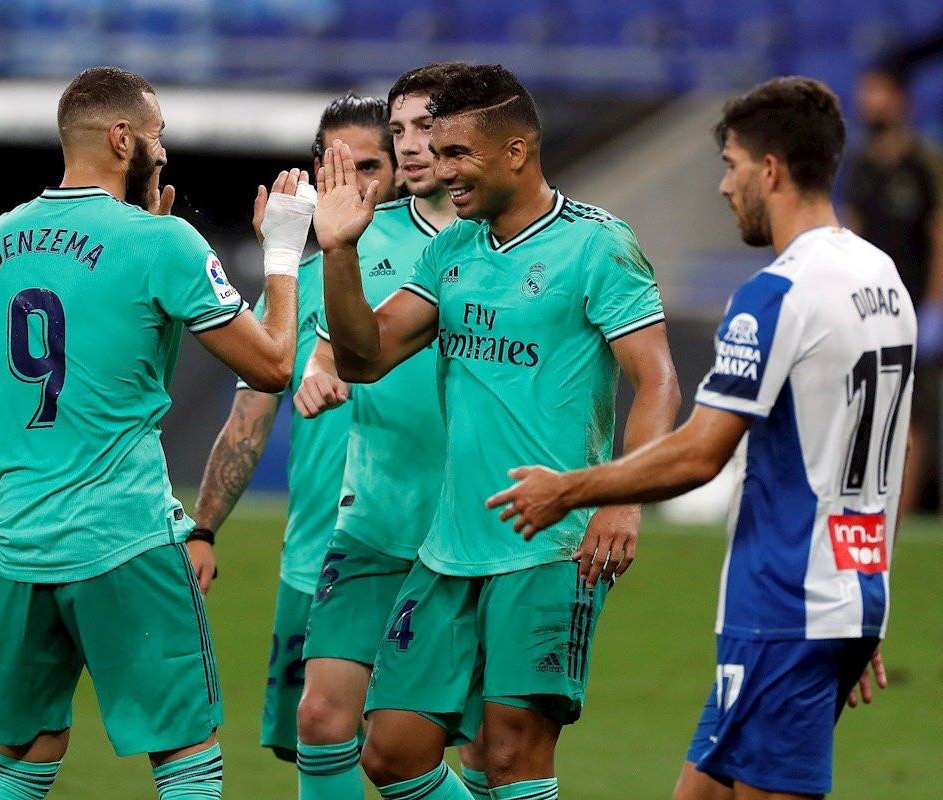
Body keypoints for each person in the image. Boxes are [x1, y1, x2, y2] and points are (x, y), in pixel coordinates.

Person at [486, 77, 912, 800]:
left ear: (770, 171)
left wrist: (571, 489)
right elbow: (876, 459)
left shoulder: (777, 295)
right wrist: (859, 600)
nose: (723, 186)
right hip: (836, 594)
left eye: (732, 164)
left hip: (785, 604)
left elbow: (698, 452)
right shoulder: (882, 277)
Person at [313, 63, 680, 800]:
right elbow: (367, 355)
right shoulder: (453, 250)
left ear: (515, 151)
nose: (440, 171)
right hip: (449, 546)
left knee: (510, 756)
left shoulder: (598, 246)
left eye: (457, 155)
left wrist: (622, 497)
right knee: (390, 753)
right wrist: (341, 252)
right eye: (435, 153)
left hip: (550, 543)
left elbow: (659, 381)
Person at [0, 66, 316, 800]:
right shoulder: (165, 244)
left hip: (23, 540)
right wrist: (283, 248)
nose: (164, 150)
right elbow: (276, 363)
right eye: (158, 135)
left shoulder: (1, 239)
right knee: (186, 745)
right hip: (122, 532)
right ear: (123, 138)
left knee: (27, 750)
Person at [190, 92, 398, 768]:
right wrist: (203, 530)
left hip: (417, 550)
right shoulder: (293, 285)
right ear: (314, 172)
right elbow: (246, 422)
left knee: (421, 749)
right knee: (319, 740)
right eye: (337, 166)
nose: (355, 184)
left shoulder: (441, 267)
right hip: (315, 558)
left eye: (370, 165)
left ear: (399, 169)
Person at [291, 64, 466, 800]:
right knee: (325, 719)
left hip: (475, 531)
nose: (411, 146)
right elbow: (327, 348)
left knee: (485, 750)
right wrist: (313, 371)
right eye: (399, 132)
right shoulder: (357, 235)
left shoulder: (511, 239)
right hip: (375, 522)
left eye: (425, 129)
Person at [844, 65, 943, 513]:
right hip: (866, 306)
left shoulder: (924, 162)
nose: (869, 101)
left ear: (899, 99)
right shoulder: (861, 164)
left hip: (915, 304)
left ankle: (898, 513)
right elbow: (850, 229)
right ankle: (864, 504)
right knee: (864, 404)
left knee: (912, 413)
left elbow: (940, 233)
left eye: (878, 92)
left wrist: (936, 305)